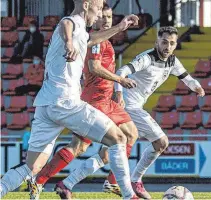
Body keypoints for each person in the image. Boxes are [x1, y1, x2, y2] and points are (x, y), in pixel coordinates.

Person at [32, 26, 205, 199]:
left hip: (111, 104)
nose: (168, 46)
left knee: (109, 151)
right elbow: (118, 71)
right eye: (164, 42)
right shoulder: (144, 58)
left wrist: (197, 87)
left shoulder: (172, 61)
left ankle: (67, 183)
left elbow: (187, 78)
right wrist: (120, 92)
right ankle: (132, 182)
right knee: (158, 141)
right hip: (123, 105)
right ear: (157, 41)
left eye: (172, 43)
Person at [0, 0, 139, 199]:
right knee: (119, 139)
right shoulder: (72, 21)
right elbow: (66, 24)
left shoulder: (83, 31)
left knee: (32, 167)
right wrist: (69, 42)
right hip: (65, 102)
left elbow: (91, 39)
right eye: (98, 8)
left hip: (45, 105)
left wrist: (120, 27)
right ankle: (129, 196)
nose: (99, 14)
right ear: (86, 5)